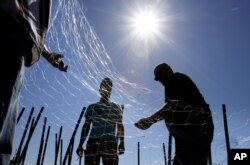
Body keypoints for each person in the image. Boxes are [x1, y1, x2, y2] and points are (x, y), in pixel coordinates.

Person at [0, 0, 68, 164]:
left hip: (21, 41)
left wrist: (47, 55)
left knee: (5, 123)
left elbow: (32, 24)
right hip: (8, 27)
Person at [135, 63, 214, 165]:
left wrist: (149, 120)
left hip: (193, 132)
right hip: (202, 132)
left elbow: (172, 105)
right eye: (158, 79)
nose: (160, 81)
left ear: (167, 69)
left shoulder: (173, 80)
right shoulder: (181, 79)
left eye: (159, 76)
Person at [76, 77, 125, 165]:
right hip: (93, 142)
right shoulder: (92, 107)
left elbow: (120, 126)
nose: (106, 89)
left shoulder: (116, 108)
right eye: (104, 87)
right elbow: (86, 126)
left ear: (111, 91)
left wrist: (122, 142)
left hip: (110, 143)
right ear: (100, 90)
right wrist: (80, 144)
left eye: (108, 88)